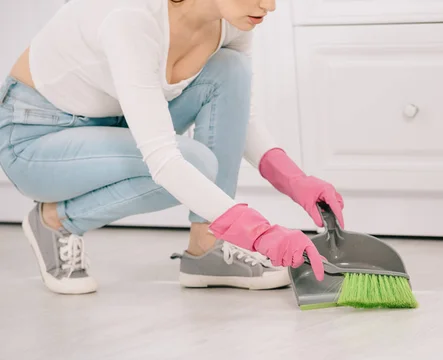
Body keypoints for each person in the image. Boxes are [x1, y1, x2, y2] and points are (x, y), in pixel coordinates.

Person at [0, 0, 345, 295]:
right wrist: (258, 233)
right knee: (192, 164)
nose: (269, 5)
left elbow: (242, 115)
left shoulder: (233, 20)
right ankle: (54, 220)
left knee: (230, 68)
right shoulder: (132, 18)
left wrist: (295, 181)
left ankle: (207, 246)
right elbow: (162, 158)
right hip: (35, 139)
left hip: (114, 120)